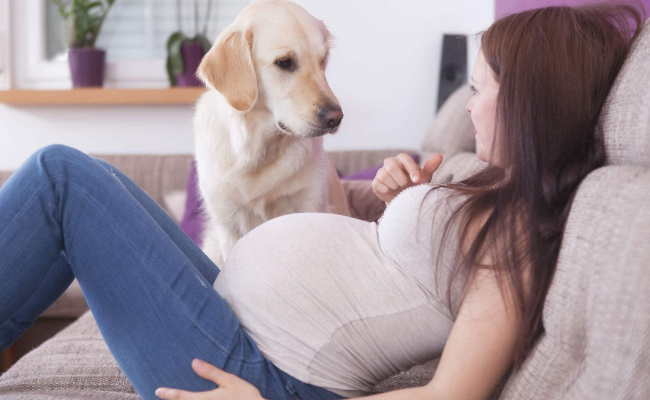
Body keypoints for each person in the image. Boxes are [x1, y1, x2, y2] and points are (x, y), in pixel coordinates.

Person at [0, 3, 644, 400]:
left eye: (478, 89)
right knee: (97, 178)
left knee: (61, 179)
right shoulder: (489, 186)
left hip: (259, 374)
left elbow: (451, 394)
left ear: (530, 106)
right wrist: (397, 198)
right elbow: (395, 267)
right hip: (237, 328)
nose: (467, 105)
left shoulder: (519, 234)